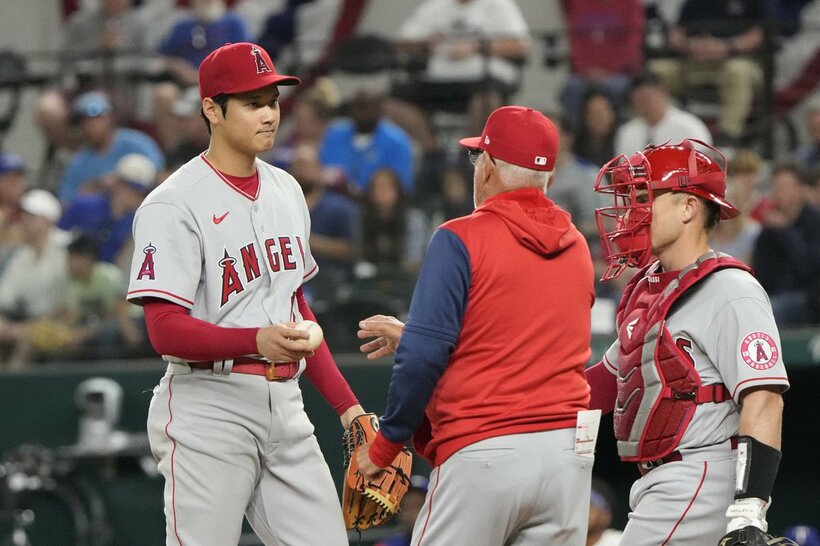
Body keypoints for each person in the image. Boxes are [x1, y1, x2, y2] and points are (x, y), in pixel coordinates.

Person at [125, 42, 365, 545]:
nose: (269, 114)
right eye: (253, 103)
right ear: (212, 109)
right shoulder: (173, 203)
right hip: (208, 405)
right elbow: (164, 330)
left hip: (286, 403)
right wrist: (257, 339)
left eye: (273, 101)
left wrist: (348, 408)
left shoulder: (286, 190)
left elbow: (293, 307)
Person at [356, 106, 597, 545]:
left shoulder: (460, 236)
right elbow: (514, 335)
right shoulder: (578, 246)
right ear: (550, 177)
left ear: (486, 167)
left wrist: (386, 445)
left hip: (486, 447)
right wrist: (413, 336)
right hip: (567, 454)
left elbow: (425, 357)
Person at [585, 139, 791, 545]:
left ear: (688, 208)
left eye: (645, 198)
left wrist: (749, 509)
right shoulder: (650, 289)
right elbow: (606, 383)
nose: (631, 213)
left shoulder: (730, 288)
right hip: (659, 483)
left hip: (703, 475)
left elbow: (764, 398)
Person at [649, 0, 770, 146]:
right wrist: (689, 45)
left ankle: (727, 138)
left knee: (736, 71)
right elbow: (676, 33)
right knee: (654, 72)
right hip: (695, 62)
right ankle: (649, 133)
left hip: (741, 61)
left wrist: (727, 47)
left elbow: (760, 33)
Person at [58, 90, 164, 204]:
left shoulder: (135, 143)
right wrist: (98, 186)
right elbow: (66, 203)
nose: (92, 126)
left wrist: (124, 182)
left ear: (111, 118)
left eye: (98, 118)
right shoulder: (78, 162)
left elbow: (160, 177)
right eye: (85, 122)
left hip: (141, 208)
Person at [751, 162, 820, 326]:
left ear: (802, 189)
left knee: (774, 311)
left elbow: (809, 266)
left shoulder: (816, 221)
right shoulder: (769, 229)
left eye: (785, 187)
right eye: (775, 187)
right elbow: (761, 269)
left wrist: (785, 232)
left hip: (811, 297)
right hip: (774, 294)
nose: (779, 193)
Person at [614, 72, 712, 157]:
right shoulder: (627, 131)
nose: (644, 104)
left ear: (663, 93)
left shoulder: (689, 126)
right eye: (638, 100)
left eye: (647, 98)